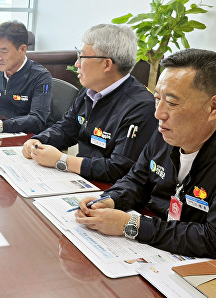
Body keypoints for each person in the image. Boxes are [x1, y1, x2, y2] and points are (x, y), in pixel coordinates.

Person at [75, 48, 216, 258]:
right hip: (159, 246)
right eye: (157, 98)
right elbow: (137, 180)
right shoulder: (166, 132)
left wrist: (132, 225)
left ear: (213, 107)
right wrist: (110, 200)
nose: (159, 113)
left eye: (173, 103)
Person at [22, 24, 157, 183]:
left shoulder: (141, 106)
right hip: (81, 179)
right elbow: (67, 128)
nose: (77, 64)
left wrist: (62, 160)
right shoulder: (90, 91)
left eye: (82, 57)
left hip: (110, 192)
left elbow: (119, 168)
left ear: (106, 64)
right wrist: (39, 140)